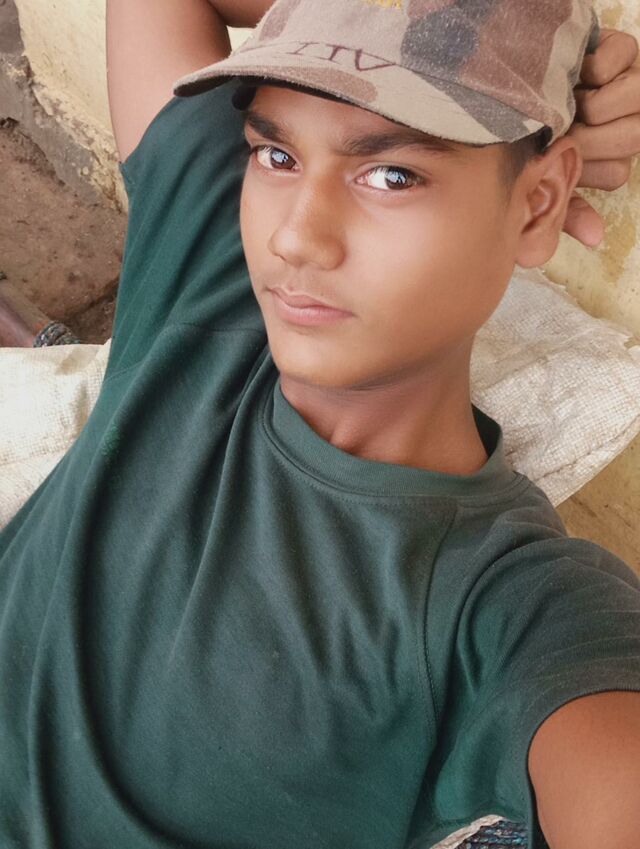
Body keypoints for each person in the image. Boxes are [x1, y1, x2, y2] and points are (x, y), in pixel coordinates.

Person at [0, 1, 639, 847]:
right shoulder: (212, 258)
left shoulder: (502, 602)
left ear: (537, 204)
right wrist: (385, 21)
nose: (296, 239)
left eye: (392, 175)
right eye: (277, 153)